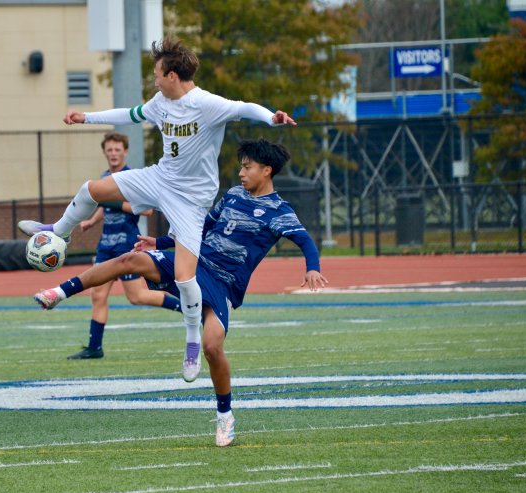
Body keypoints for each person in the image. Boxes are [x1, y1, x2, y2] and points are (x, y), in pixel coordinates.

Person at [21, 36, 297, 382]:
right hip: (160, 178)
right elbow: (129, 114)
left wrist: (272, 117)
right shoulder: (160, 102)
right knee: (91, 189)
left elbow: (244, 107)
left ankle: (193, 339)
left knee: (184, 277)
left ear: (172, 75)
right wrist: (86, 117)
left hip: (191, 201)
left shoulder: (206, 103)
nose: (153, 79)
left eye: (156, 74)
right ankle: (57, 232)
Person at [34, 138, 328, 446]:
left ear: (266, 171)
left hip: (223, 284)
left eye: (247, 167)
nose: (241, 172)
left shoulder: (279, 210)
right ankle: (59, 292)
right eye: (241, 166)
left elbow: (305, 240)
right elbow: (200, 228)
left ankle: (225, 416)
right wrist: (160, 243)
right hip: (193, 261)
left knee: (213, 347)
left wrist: (312, 266)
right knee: (128, 259)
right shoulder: (232, 196)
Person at [70, 132, 182, 360]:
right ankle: (94, 347)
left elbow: (147, 209)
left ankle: (186, 307)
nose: (113, 153)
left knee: (137, 296)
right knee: (98, 295)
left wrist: (110, 201)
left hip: (126, 246)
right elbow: (105, 206)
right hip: (106, 246)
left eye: (117, 150)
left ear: (125, 152)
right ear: (104, 152)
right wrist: (92, 221)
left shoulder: (131, 177)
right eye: (109, 150)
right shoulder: (105, 177)